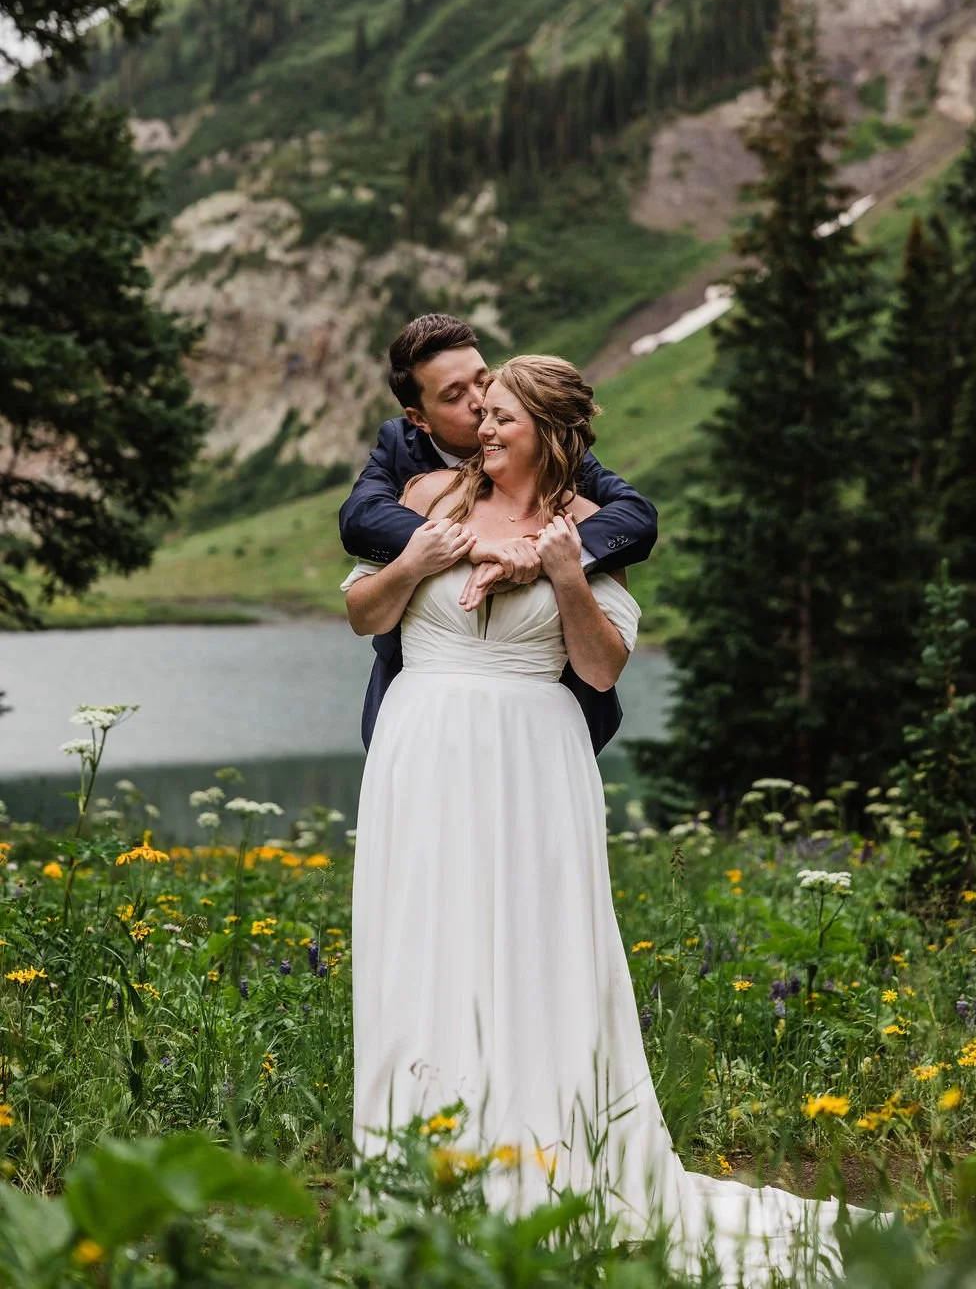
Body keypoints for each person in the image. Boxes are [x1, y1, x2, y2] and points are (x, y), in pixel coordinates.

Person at [340, 355, 892, 1285]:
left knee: (531, 952)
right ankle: (418, 1176)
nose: (484, 422)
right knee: (423, 944)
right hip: (419, 750)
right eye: (482, 409)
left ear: (550, 434)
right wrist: (416, 558)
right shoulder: (427, 495)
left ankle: (544, 1172)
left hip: (532, 761)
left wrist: (563, 576)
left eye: (505, 413)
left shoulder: (592, 531)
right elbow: (362, 613)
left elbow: (599, 669)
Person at [338, 314, 658, 755]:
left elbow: (636, 517)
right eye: (454, 395)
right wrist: (469, 547)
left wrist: (541, 556)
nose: (478, 403)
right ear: (419, 419)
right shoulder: (405, 458)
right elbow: (360, 520)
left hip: (545, 716)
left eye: (482, 382)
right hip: (420, 714)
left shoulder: (557, 457)